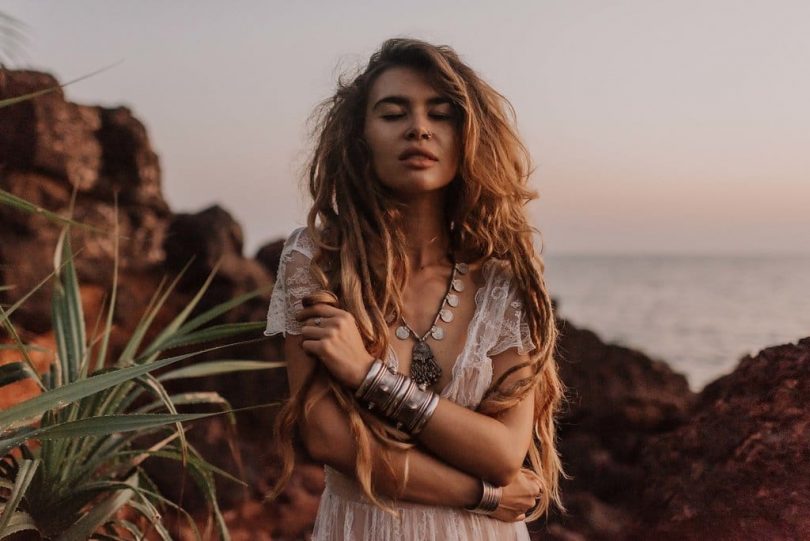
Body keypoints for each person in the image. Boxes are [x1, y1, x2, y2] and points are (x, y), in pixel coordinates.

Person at [264, 37, 567, 541]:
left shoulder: (503, 275)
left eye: (441, 113)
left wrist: (366, 375)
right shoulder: (317, 260)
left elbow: (502, 453)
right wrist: (484, 496)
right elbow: (327, 438)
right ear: (361, 138)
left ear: (467, 135)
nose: (419, 128)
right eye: (393, 113)